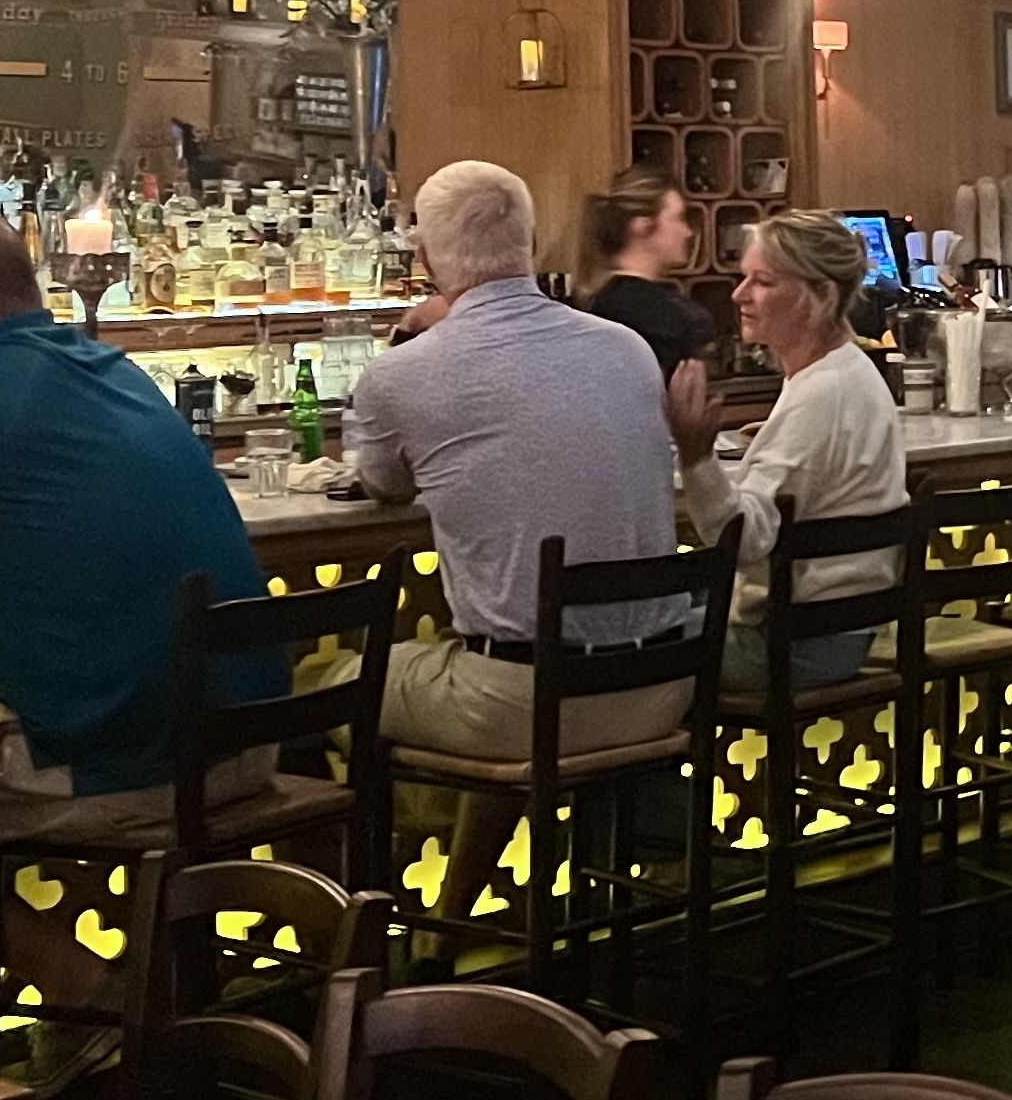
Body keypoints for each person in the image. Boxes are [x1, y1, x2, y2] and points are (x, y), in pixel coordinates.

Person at [0, 209, 269, 857]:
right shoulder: (116, 370)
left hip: (125, 769)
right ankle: (119, 957)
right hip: (250, 748)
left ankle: (70, 964)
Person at [347, 160, 697, 761]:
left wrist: (410, 335)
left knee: (315, 687)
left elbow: (385, 486)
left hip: (520, 702)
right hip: (663, 685)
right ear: (531, 246)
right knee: (467, 668)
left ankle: (332, 856)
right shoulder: (629, 350)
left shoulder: (399, 375)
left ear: (426, 261)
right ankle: (496, 855)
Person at [672, 208, 909, 697]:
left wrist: (697, 458)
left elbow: (743, 538)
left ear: (820, 296)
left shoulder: (821, 393)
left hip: (792, 645)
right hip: (841, 634)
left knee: (623, 652)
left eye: (763, 282)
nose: (739, 295)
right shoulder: (850, 373)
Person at [575, 162, 721, 379]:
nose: (688, 232)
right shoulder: (680, 320)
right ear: (642, 226)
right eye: (678, 218)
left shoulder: (589, 305)